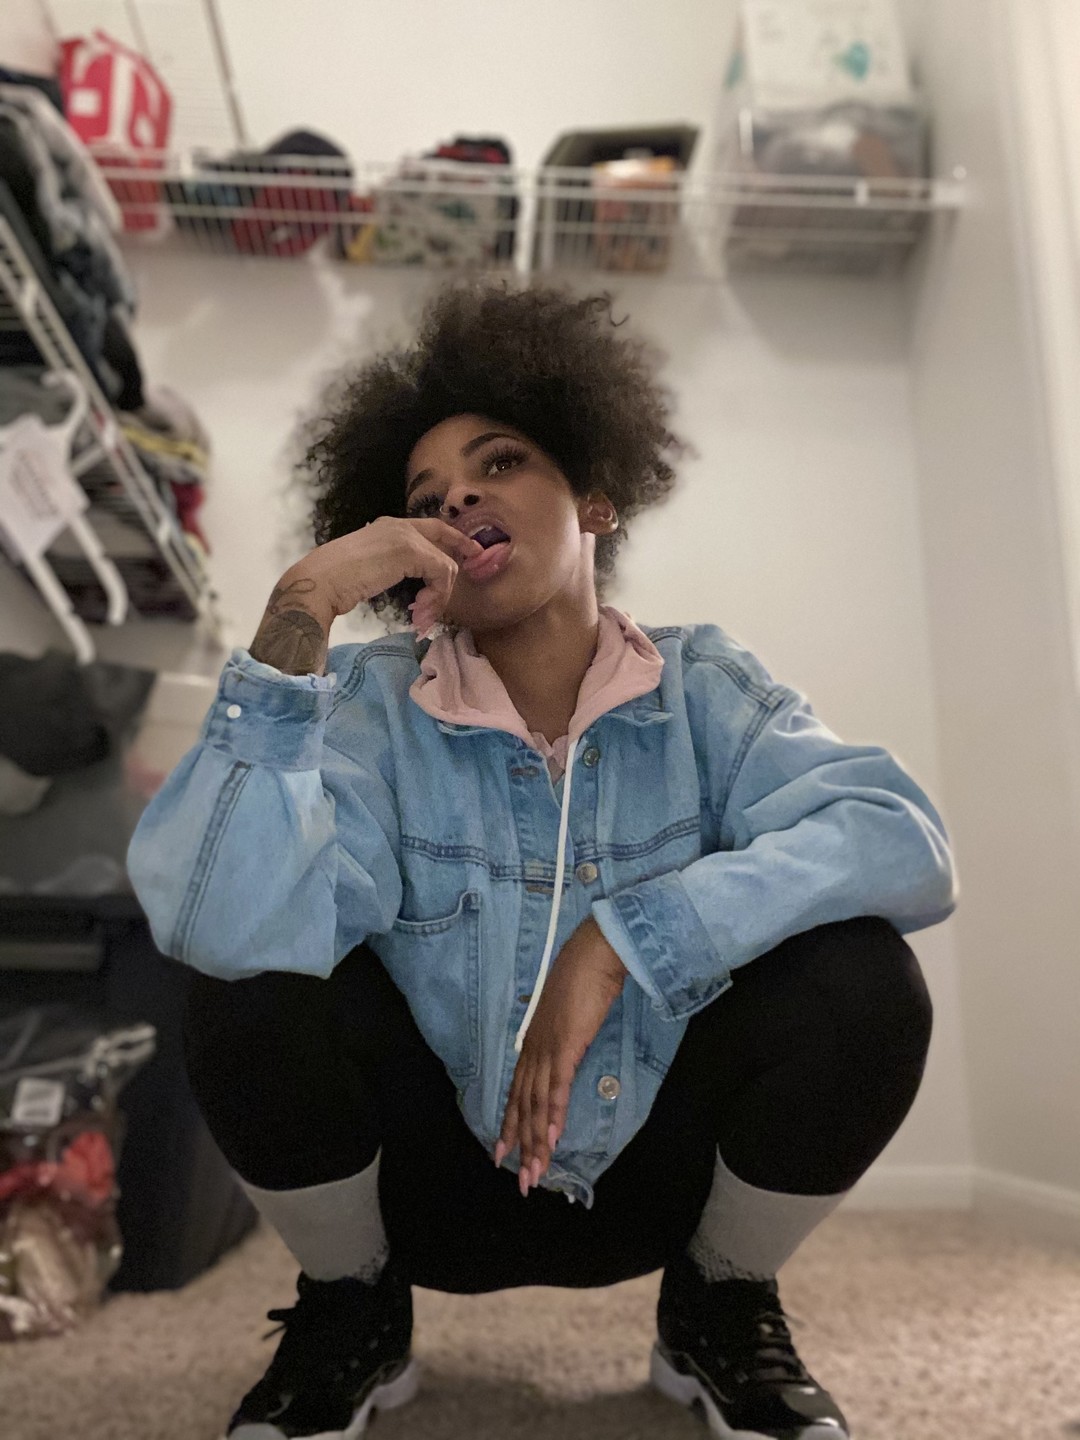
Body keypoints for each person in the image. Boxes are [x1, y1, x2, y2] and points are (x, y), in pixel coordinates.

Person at [127, 281, 957, 1440]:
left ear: (596, 501)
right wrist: (302, 605)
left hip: (651, 1181)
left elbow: (900, 838)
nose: (458, 498)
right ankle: (352, 1307)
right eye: (425, 498)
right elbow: (224, 924)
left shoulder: (707, 688)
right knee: (255, 979)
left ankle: (719, 1302)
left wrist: (625, 938)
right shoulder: (365, 709)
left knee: (861, 979)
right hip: (428, 1196)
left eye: (501, 462)